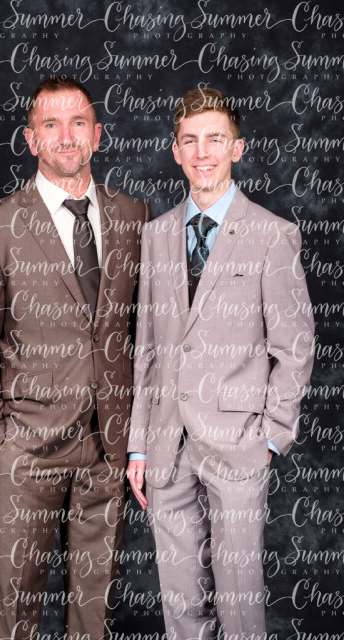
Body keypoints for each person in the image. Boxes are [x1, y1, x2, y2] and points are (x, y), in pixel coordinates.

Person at [0, 75, 149, 640]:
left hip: (107, 448)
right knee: (14, 611)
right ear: (31, 139)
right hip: (24, 450)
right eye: (51, 124)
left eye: (78, 123)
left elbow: (144, 330)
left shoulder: (134, 216)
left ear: (97, 134)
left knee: (94, 612)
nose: (66, 136)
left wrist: (137, 435)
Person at [127, 87, 314, 639]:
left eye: (215, 138)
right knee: (181, 605)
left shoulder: (272, 235)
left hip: (239, 445)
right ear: (175, 151)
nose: (202, 152)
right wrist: (138, 445)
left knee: (239, 605)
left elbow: (296, 347)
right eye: (190, 140)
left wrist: (272, 436)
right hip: (167, 446)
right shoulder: (156, 235)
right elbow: (148, 349)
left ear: (237, 148)